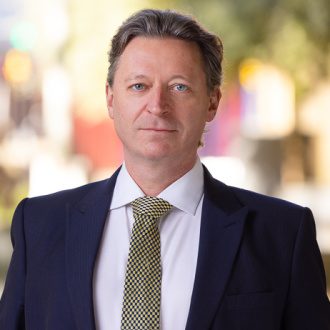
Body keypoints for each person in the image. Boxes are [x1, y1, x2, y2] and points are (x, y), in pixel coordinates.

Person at [0, 8, 329, 330]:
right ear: (111, 99)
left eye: (179, 87)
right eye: (139, 86)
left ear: (212, 102)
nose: (157, 106)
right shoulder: (39, 225)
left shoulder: (283, 234)